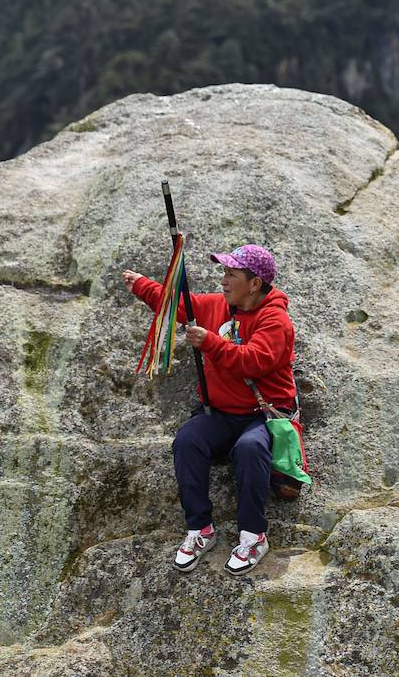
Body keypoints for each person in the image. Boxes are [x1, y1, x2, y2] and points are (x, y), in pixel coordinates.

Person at [122, 243, 296, 575]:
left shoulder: (276, 321)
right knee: (187, 441)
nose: (223, 280)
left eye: (231, 274)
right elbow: (179, 305)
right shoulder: (218, 306)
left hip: (263, 416)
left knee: (250, 448)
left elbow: (253, 361)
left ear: (254, 283)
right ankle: (200, 529)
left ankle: (253, 535)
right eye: (224, 272)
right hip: (219, 412)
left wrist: (211, 343)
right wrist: (142, 285)